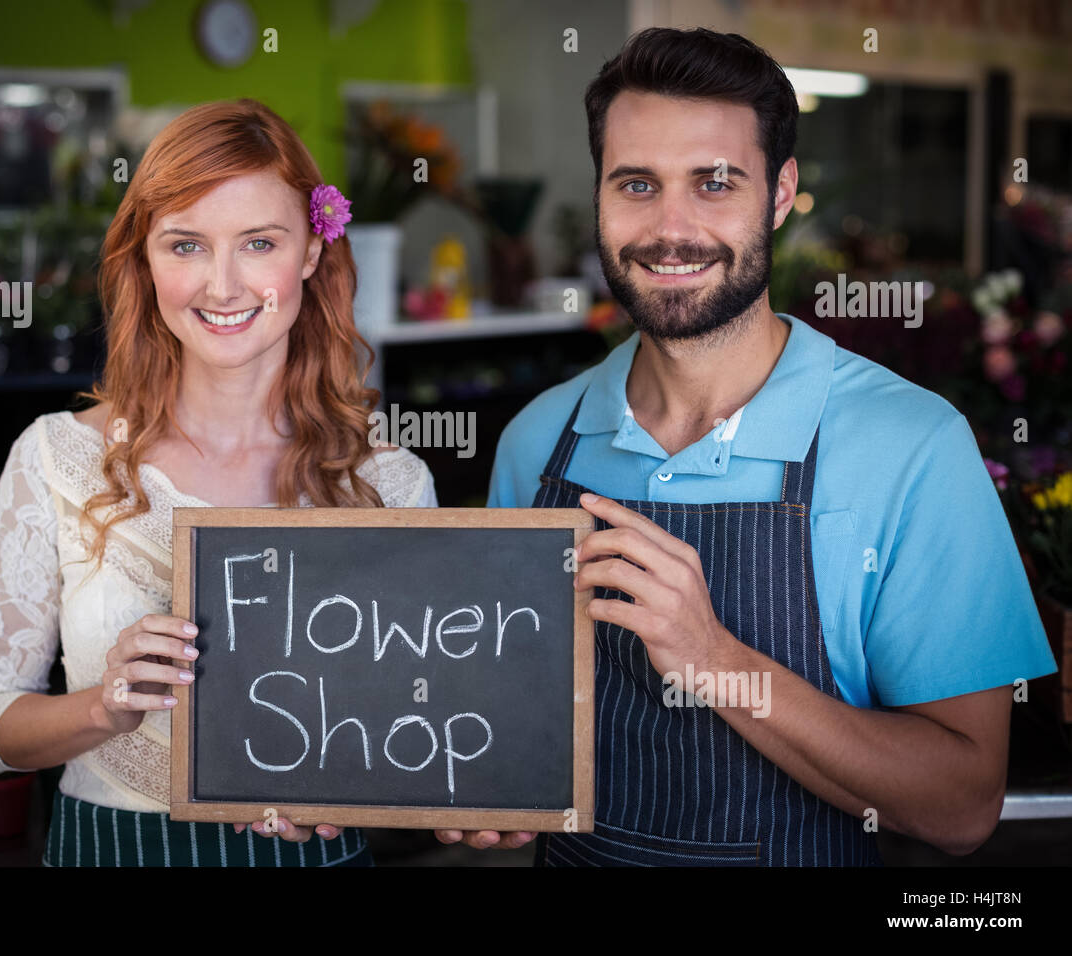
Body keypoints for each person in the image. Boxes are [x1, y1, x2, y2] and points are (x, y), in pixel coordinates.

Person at [439, 27, 1057, 865]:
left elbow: (961, 806)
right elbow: (510, 721)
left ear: (778, 194)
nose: (671, 228)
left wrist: (714, 659)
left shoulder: (913, 447)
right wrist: (482, 788)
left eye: (715, 182)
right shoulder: (537, 441)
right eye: (636, 184)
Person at [0, 99, 438, 867]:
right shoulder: (54, 457)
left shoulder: (388, 482)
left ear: (311, 252)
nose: (221, 285)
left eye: (258, 243)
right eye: (185, 245)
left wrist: (350, 787)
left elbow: (414, 726)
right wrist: (102, 708)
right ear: (144, 260)